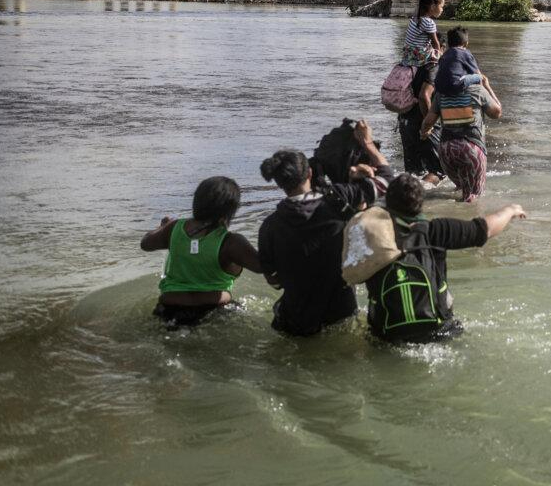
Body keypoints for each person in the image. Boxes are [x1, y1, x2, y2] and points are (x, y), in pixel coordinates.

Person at [258, 121, 393, 336]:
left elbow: (273, 279)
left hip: (294, 320)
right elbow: (387, 180)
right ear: (310, 173)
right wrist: (367, 144)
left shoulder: (269, 227)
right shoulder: (339, 199)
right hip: (340, 313)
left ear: (280, 183)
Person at [364, 174, 526, 343]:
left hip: (388, 337)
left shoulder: (371, 238)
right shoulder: (436, 231)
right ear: (420, 203)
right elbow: (484, 230)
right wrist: (510, 210)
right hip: (437, 332)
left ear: (387, 206)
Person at [141, 176, 262, 328]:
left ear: (196, 202)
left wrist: (163, 227)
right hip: (217, 311)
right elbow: (262, 266)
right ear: (230, 210)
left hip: (169, 309)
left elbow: (145, 244)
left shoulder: (174, 228)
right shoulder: (231, 242)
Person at [421, 31, 503, 201]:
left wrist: (425, 132)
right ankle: (467, 225)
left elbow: (428, 122)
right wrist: (487, 86)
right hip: (471, 149)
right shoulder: (477, 90)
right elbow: (497, 113)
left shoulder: (442, 94)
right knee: (472, 199)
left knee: (460, 189)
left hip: (446, 151)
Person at [397, 60, 445, 186]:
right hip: (422, 124)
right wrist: (429, 125)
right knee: (439, 171)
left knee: (413, 173)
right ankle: (416, 192)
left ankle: (406, 197)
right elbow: (424, 96)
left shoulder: (409, 63)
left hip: (405, 121)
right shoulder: (433, 66)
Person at [402, 0, 444, 67]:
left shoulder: (415, 17)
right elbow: (435, 43)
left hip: (407, 55)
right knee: (441, 45)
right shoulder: (429, 22)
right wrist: (440, 57)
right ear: (432, 6)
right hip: (418, 58)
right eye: (441, 7)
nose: (442, 10)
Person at [435, 28, 482, 96]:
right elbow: (476, 72)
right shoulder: (465, 53)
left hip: (439, 87)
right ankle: (479, 96)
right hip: (454, 87)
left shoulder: (445, 53)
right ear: (466, 43)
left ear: (449, 43)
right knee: (479, 77)